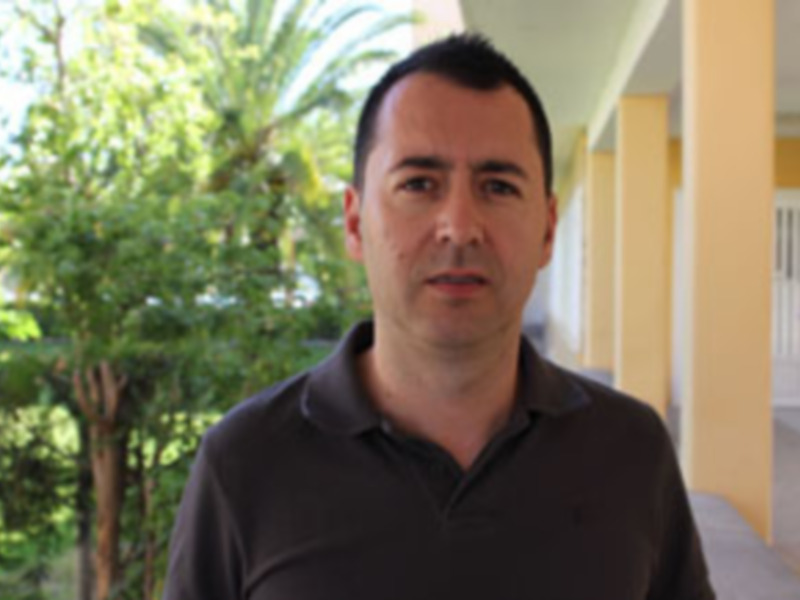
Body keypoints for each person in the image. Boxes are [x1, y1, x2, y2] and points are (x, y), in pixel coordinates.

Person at [163, 34, 715, 600]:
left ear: (548, 229)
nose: (459, 227)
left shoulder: (631, 451)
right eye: (419, 184)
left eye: (498, 187)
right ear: (354, 222)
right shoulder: (246, 462)